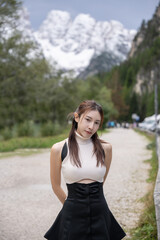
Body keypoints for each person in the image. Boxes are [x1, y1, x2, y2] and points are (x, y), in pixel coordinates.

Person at [44, 100, 126, 240]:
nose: (91, 126)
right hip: (72, 212)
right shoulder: (59, 149)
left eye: (96, 123)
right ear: (77, 117)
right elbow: (55, 185)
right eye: (88, 119)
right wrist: (71, 205)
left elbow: (102, 180)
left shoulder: (105, 148)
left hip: (100, 211)